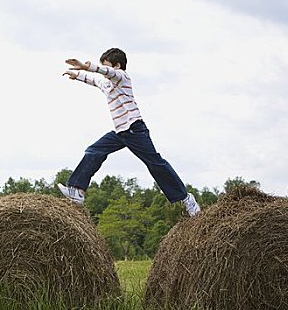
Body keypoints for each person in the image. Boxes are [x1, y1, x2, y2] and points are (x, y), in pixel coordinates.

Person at [57, 48, 200, 216]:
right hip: (120, 132)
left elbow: (106, 72)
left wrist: (85, 66)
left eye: (107, 66)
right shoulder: (107, 84)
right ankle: (78, 191)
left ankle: (185, 198)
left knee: (155, 163)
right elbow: (95, 81)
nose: (105, 72)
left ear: (117, 66)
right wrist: (78, 76)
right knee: (94, 150)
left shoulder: (122, 77)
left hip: (134, 129)